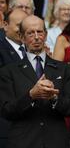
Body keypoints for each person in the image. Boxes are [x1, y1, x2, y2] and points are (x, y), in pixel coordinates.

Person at [0, 15, 70, 148]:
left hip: (56, 141)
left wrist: (54, 98)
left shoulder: (64, 69)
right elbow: (7, 111)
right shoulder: (9, 71)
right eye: (30, 33)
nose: (36, 37)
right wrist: (31, 95)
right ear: (22, 37)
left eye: (40, 32)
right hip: (23, 142)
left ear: (46, 35)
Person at [0, 9, 29, 147]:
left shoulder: (34, 49)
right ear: (5, 25)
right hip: (7, 125)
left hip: (32, 126)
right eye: (19, 25)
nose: (22, 30)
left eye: (25, 26)